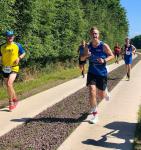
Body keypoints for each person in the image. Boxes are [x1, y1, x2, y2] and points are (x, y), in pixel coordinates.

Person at [84, 27, 114, 124]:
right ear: (90, 35)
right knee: (92, 90)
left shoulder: (103, 45)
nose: (94, 35)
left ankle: (105, 92)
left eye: (96, 34)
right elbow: (83, 58)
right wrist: (86, 55)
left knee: (101, 96)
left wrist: (104, 60)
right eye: (93, 34)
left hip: (102, 73)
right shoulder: (88, 46)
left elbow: (112, 55)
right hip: (92, 72)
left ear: (98, 35)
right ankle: (95, 115)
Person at [0, 31, 26, 111]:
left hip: (14, 67)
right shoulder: (2, 46)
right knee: (9, 86)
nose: (10, 37)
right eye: (9, 36)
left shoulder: (17, 45)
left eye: (12, 36)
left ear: (13, 37)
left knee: (9, 84)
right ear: (6, 37)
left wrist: (19, 58)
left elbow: (23, 53)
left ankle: (11, 102)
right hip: (5, 68)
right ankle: (15, 100)